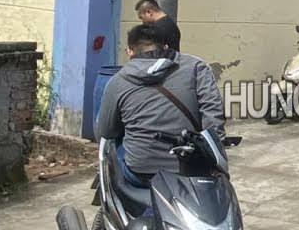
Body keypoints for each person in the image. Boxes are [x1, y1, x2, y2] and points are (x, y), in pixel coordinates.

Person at [95, 22, 225, 182]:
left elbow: (106, 132)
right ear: (165, 46)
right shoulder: (196, 67)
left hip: (141, 171)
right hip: (191, 167)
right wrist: (212, 151)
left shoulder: (117, 81)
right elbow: (213, 113)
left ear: (129, 51)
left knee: (116, 147)